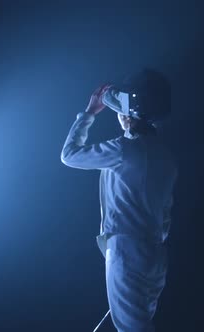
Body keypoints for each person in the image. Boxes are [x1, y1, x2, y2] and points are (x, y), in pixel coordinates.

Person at [61, 69, 177, 332]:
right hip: (155, 256)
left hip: (126, 251)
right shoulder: (167, 159)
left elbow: (69, 155)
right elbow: (166, 217)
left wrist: (88, 114)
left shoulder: (123, 150)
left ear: (129, 113)